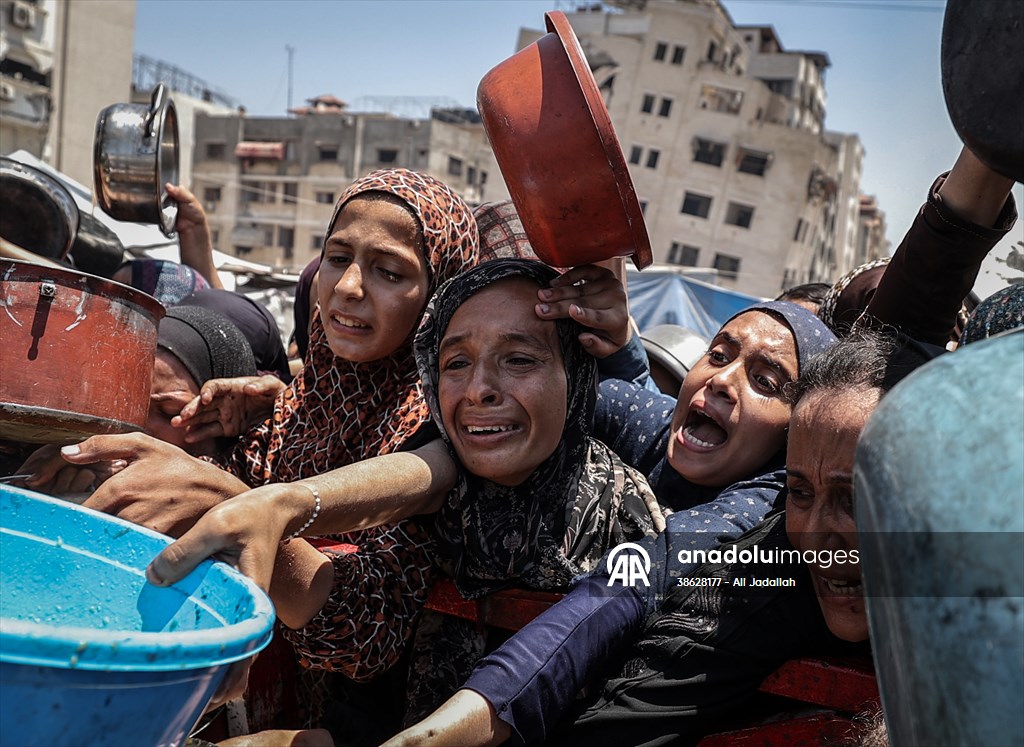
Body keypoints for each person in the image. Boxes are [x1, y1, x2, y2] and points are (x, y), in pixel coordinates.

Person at [383, 330, 928, 747]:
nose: (816, 534)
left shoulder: (756, 538)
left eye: (766, 380)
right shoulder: (757, 564)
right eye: (717, 354)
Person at [403, 258, 664, 719]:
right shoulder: (418, 506)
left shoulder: (628, 522)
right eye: (457, 362)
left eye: (520, 359)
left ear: (577, 378)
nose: (479, 390)